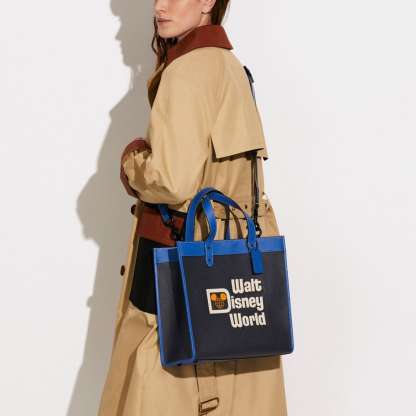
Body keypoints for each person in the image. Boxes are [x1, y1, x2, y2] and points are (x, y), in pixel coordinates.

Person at [98, 1, 289, 415]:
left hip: (177, 256)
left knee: (155, 383)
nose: (159, 6)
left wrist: (132, 162)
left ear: (207, 2)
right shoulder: (231, 68)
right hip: (234, 261)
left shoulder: (185, 72)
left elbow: (171, 179)